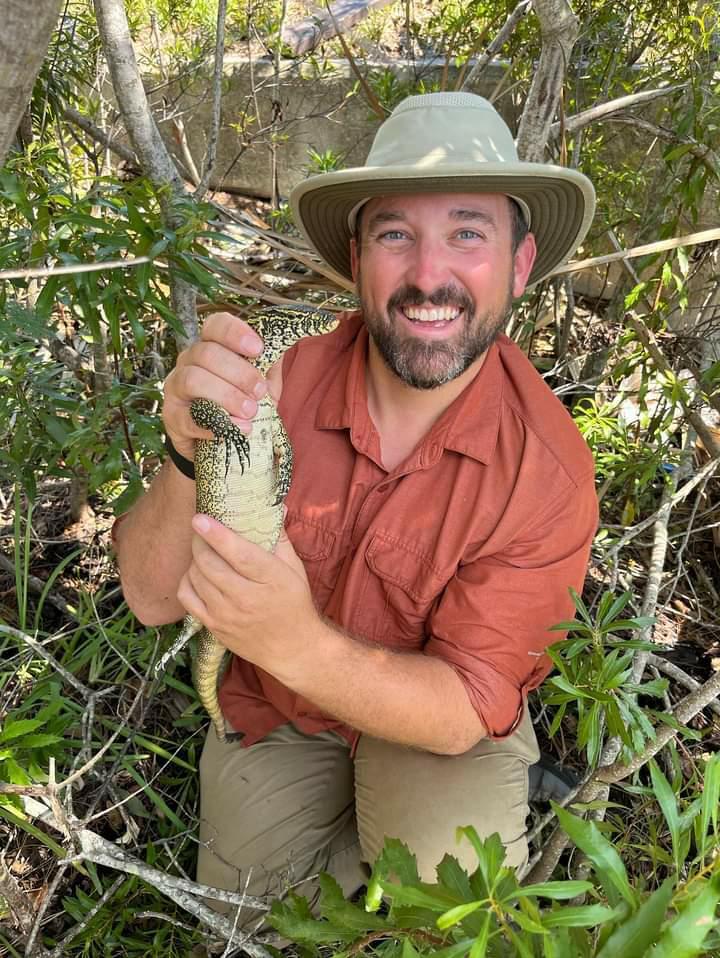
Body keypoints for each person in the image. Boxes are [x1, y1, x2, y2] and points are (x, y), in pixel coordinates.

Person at [113, 92, 598, 915]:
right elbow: (152, 595)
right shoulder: (278, 380)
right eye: (395, 234)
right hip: (280, 708)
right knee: (249, 919)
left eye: (468, 233)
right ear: (356, 258)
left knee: (444, 900)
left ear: (520, 264)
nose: (428, 275)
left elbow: (460, 708)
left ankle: (442, 816)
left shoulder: (545, 472)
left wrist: (293, 639)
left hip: (431, 717)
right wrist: (184, 450)